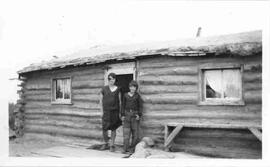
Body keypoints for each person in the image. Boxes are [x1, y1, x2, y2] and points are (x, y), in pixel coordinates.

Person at [100, 73, 122, 152]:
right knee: (104, 128)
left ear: (115, 80)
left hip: (115, 112)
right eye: (109, 79)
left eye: (112, 79)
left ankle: (112, 145)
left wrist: (120, 112)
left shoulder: (118, 89)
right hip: (106, 112)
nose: (111, 80)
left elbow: (120, 101)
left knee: (113, 129)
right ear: (108, 80)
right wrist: (101, 111)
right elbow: (100, 100)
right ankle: (106, 143)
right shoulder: (104, 89)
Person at [121, 80, 142, 154]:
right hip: (126, 116)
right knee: (126, 134)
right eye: (131, 87)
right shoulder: (125, 95)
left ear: (136, 88)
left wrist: (139, 114)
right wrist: (122, 115)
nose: (132, 88)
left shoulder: (137, 96)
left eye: (134, 87)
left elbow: (140, 106)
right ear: (129, 87)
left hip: (134, 116)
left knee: (135, 135)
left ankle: (132, 149)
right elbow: (123, 106)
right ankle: (125, 149)